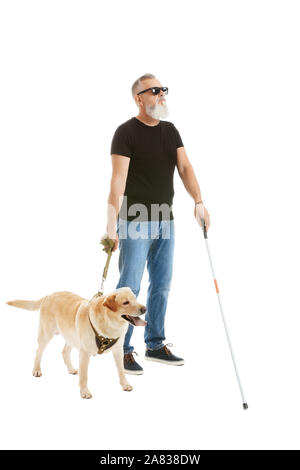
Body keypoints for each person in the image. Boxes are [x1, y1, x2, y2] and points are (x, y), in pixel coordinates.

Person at [106, 73, 210, 375]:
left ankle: (154, 344)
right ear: (139, 98)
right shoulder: (125, 133)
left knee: (162, 286)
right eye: (154, 90)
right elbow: (117, 180)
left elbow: (186, 167)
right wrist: (111, 226)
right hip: (135, 221)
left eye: (164, 89)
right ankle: (121, 348)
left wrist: (199, 202)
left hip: (166, 220)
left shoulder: (170, 131)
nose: (162, 94)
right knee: (129, 288)